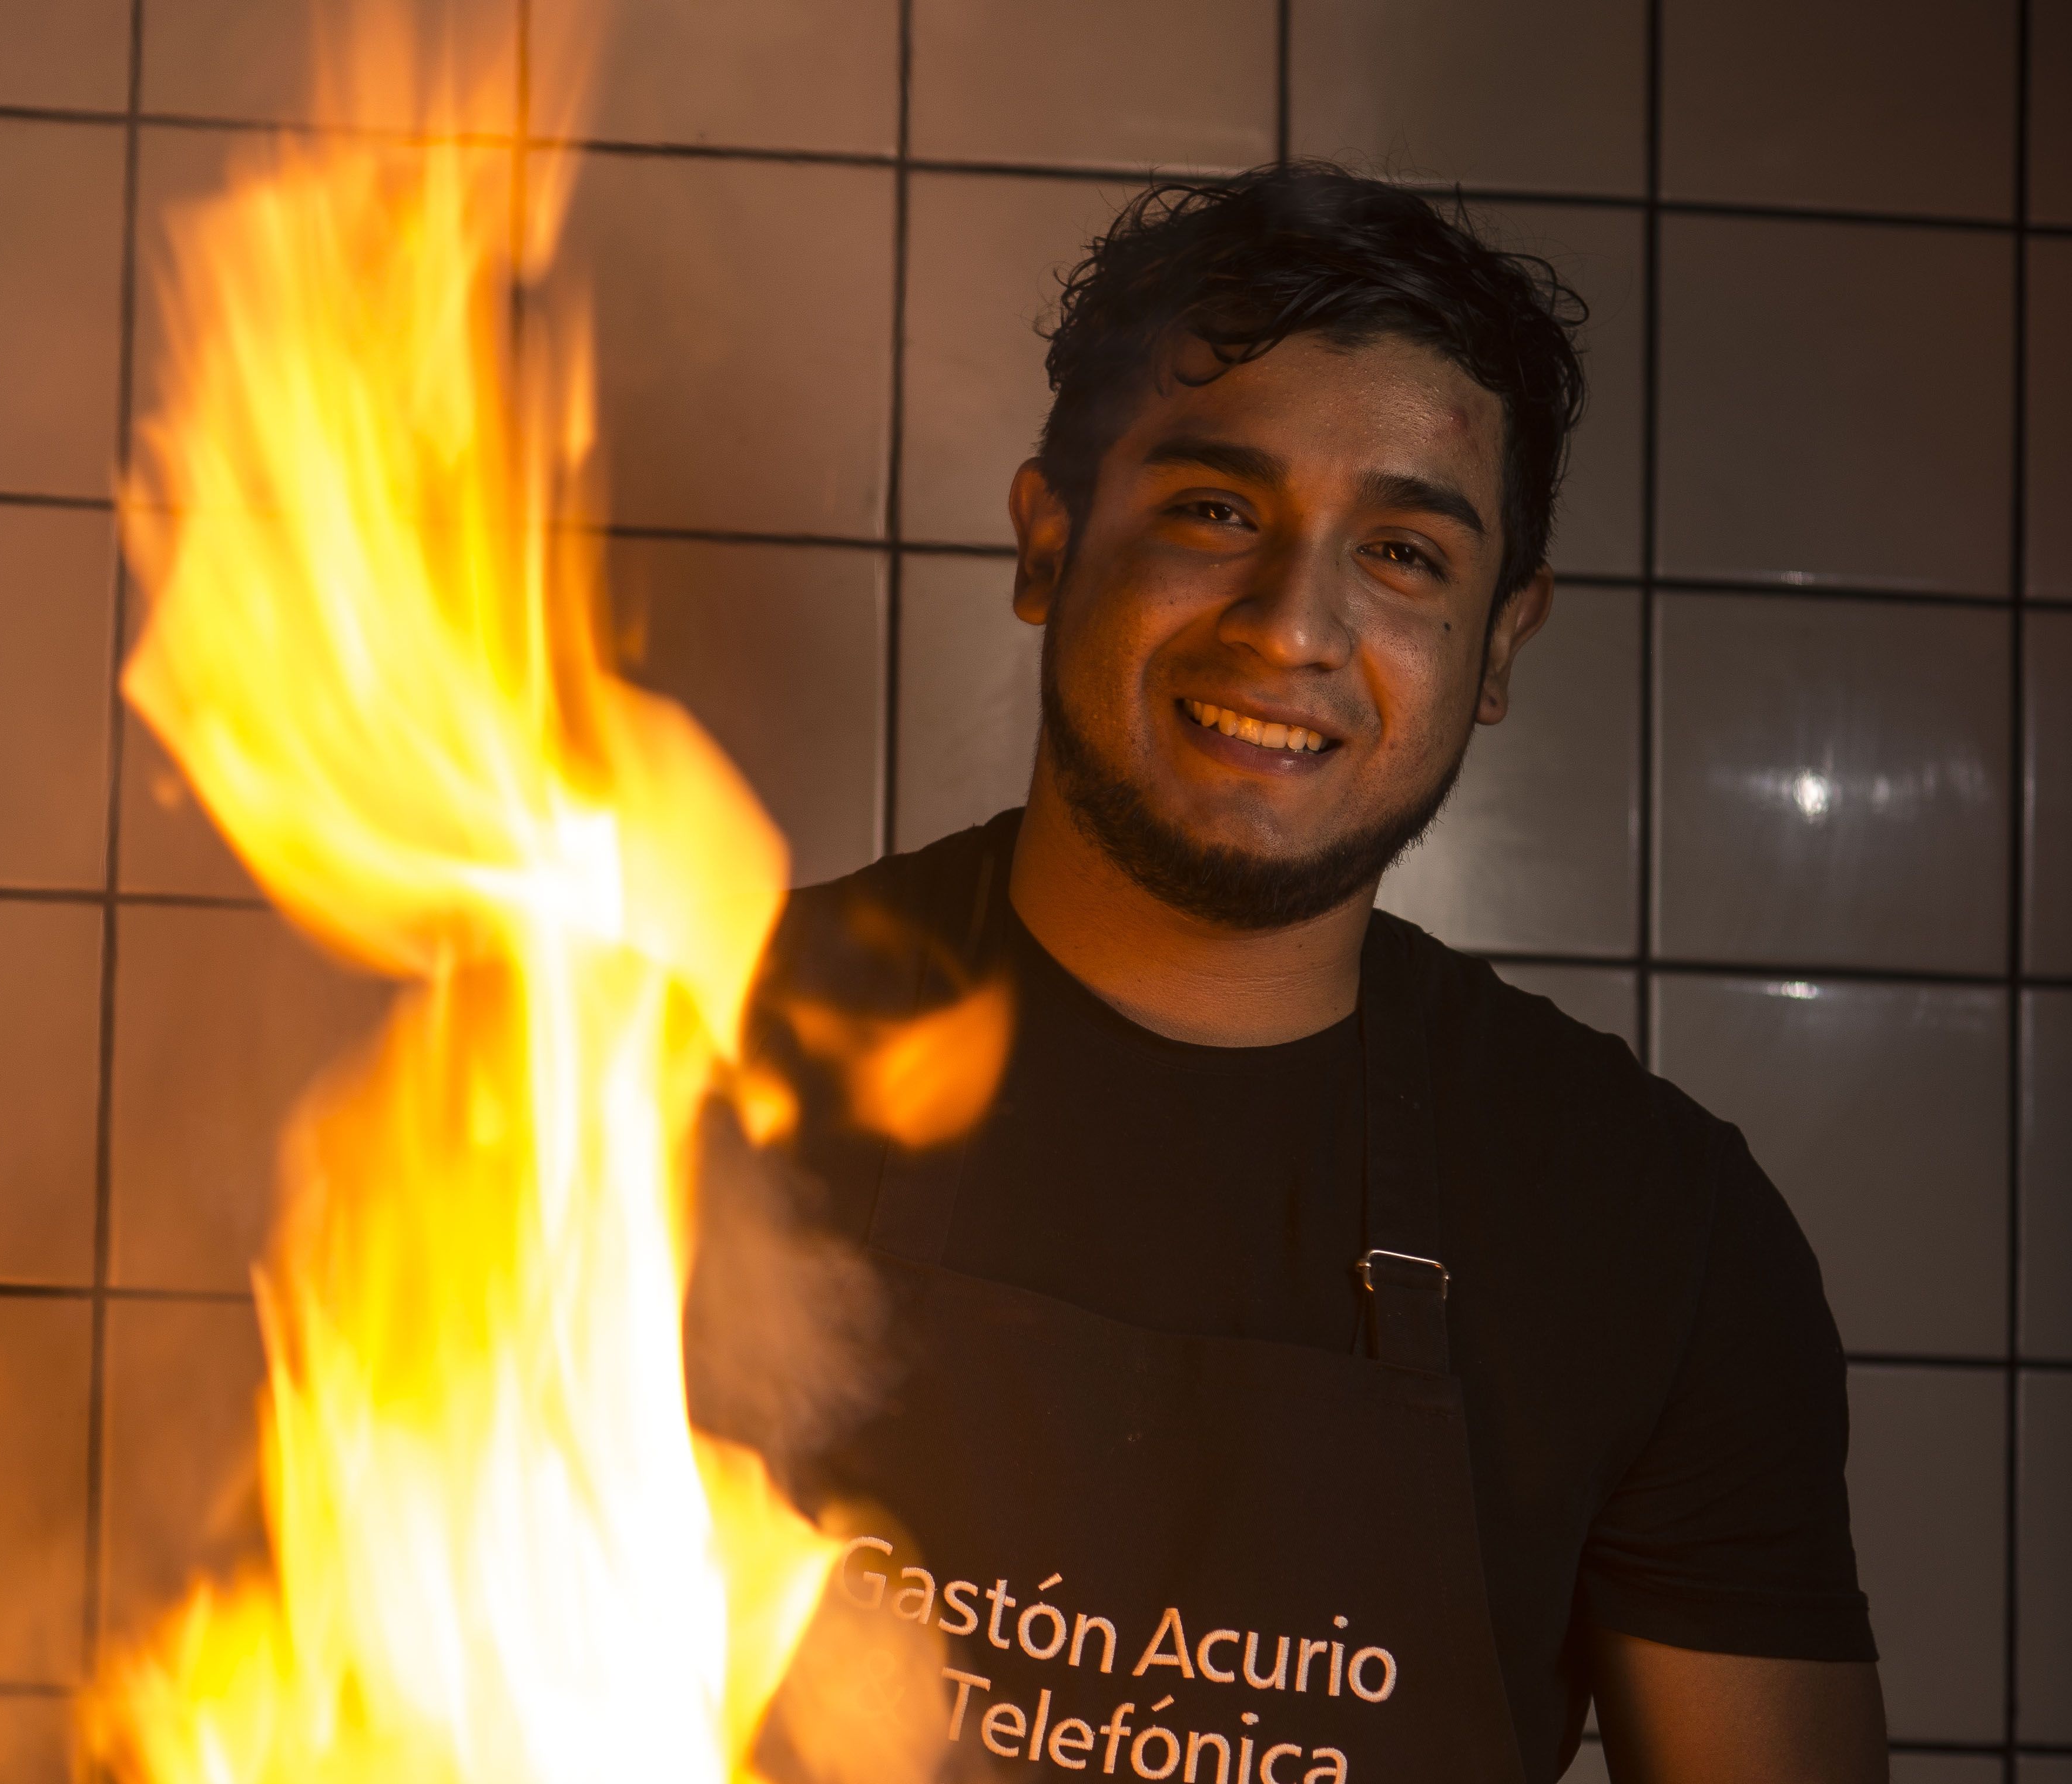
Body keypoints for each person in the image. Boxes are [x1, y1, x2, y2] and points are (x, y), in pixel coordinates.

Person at [748, 166, 1885, 1784]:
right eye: (1218, 510)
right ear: (1048, 541)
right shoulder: (654, 1049)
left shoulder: (1658, 1235)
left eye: (1407, 553)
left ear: (1498, 645)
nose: (1292, 624)